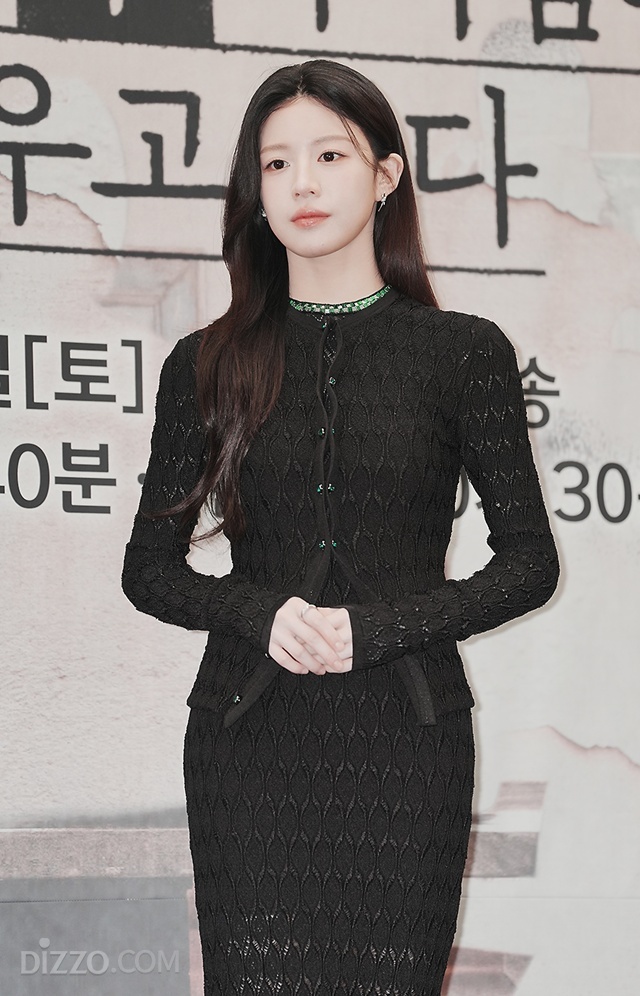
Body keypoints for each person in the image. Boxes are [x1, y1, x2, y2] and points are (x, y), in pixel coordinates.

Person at [122, 59, 559, 996]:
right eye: (276, 164)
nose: (302, 185)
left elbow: (529, 562)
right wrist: (258, 613)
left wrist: (381, 628)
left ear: (387, 174)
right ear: (255, 191)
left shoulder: (463, 354)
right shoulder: (204, 362)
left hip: (408, 740)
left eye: (330, 155)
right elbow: (148, 570)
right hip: (250, 741)